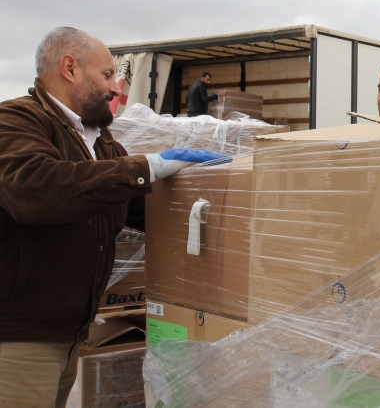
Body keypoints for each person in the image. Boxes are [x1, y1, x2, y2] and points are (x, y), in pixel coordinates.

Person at [0, 27, 227, 408]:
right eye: (106, 74)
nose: (114, 87)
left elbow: (141, 205)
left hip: (69, 334)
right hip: (17, 337)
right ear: (69, 67)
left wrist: (220, 199)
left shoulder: (99, 142)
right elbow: (33, 191)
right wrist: (147, 166)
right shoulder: (17, 121)